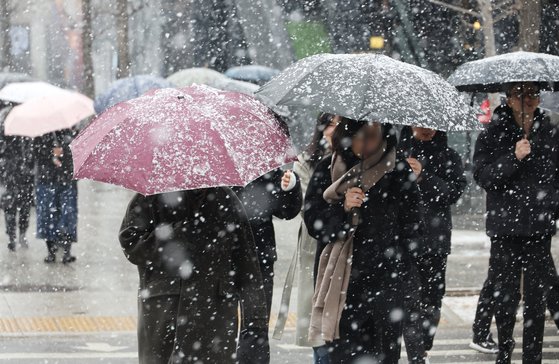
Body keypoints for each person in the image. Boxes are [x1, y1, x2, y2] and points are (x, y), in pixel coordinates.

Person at [304, 118, 423, 363]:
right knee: (344, 355)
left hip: (386, 282)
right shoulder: (328, 168)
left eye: (374, 135)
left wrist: (397, 261)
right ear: (349, 134)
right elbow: (314, 221)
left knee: (384, 354)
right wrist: (344, 210)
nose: (367, 143)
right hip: (342, 284)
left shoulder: (397, 170)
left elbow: (414, 225)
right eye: (362, 135)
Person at [119, 188, 269, 364]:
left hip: (215, 312)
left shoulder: (225, 198)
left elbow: (247, 266)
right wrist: (175, 235)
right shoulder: (152, 196)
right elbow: (131, 243)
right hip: (165, 310)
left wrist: (255, 324)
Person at [472, 82, 559, 364]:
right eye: (521, 95)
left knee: (536, 300)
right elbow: (483, 176)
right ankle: (505, 353)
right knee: (505, 298)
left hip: (539, 226)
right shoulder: (493, 132)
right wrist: (514, 157)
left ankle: (532, 357)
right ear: (509, 99)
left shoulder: (549, 130)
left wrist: (550, 206)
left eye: (533, 94)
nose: (528, 100)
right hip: (505, 228)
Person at [273, 113, 339, 364]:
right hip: (316, 245)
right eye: (332, 124)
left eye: (341, 124)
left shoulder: (361, 159)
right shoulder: (308, 162)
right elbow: (307, 207)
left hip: (349, 248)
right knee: (318, 319)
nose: (335, 130)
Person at [398, 126, 467, 363]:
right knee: (408, 300)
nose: (426, 130)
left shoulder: (449, 156)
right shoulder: (398, 153)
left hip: (435, 241)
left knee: (432, 300)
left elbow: (452, 193)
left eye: (431, 126)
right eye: (420, 124)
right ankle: (416, 356)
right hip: (404, 241)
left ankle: (423, 347)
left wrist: (424, 176)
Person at [233, 166, 302, 363]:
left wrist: (291, 186)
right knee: (220, 326)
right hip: (219, 256)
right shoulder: (211, 162)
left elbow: (286, 211)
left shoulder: (262, 166)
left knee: (255, 327)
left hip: (258, 257)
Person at [34, 128, 78, 263]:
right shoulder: (40, 135)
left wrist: (63, 152)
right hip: (47, 180)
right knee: (48, 216)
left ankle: (66, 251)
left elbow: (78, 155)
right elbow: (35, 154)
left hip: (66, 180)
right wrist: (51, 154)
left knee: (67, 215)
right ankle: (51, 251)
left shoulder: (71, 133)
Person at [0, 106, 35, 251]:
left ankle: (18, 234)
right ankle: (15, 235)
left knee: (19, 208)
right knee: (14, 208)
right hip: (13, 175)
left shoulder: (26, 132)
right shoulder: (9, 130)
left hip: (19, 176)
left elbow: (32, 154)